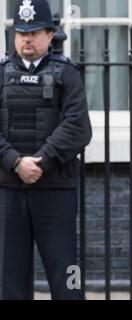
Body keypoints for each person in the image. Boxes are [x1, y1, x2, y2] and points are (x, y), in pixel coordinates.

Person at [0, 0, 92, 299]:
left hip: (55, 190)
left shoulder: (67, 74)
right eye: (21, 32)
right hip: (8, 190)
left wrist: (39, 162)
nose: (27, 38)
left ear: (50, 35)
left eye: (35, 32)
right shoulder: (1, 74)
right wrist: (15, 162)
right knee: (9, 279)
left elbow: (78, 127)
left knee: (66, 277)